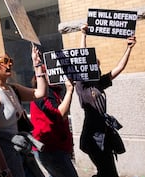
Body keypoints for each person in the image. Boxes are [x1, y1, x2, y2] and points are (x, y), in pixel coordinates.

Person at [0, 45, 47, 177]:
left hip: (16, 154)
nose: (9, 65)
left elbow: (40, 93)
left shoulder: (13, 89)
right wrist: (4, 170)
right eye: (4, 61)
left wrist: (37, 64)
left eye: (10, 61)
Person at [76, 24, 136, 177]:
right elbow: (83, 56)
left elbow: (119, 68)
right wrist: (83, 35)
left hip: (105, 135)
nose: (96, 67)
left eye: (97, 65)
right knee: (107, 172)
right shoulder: (82, 86)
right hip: (93, 137)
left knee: (108, 172)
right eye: (93, 65)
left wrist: (129, 48)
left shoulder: (99, 83)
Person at [30, 75, 79, 177]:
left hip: (56, 148)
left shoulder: (53, 92)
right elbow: (60, 114)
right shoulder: (43, 94)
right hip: (51, 150)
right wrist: (69, 91)